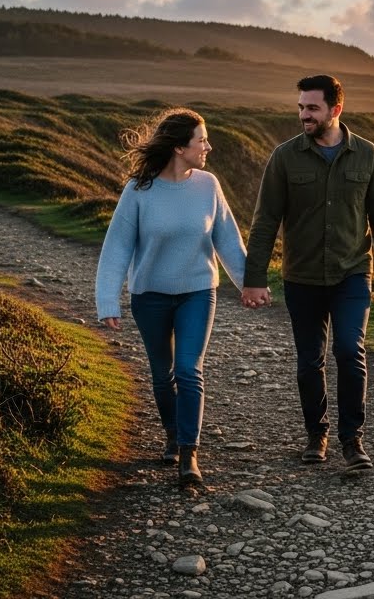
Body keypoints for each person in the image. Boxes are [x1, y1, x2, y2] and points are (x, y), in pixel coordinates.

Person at [241, 74, 374, 470]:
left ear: (335, 110)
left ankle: (353, 441)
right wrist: (254, 277)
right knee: (310, 360)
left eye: (312, 108)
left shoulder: (368, 155)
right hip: (302, 276)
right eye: (300, 107)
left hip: (352, 275)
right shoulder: (284, 156)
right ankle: (317, 434)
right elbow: (265, 222)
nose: (304, 115)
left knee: (349, 351)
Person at [95, 108, 247, 488]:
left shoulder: (208, 185)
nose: (208, 147)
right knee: (162, 378)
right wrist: (107, 302)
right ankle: (171, 433)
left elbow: (227, 239)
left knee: (188, 370)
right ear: (180, 147)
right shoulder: (139, 190)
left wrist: (251, 285)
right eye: (202, 140)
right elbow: (116, 247)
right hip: (150, 297)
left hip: (198, 292)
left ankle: (188, 454)